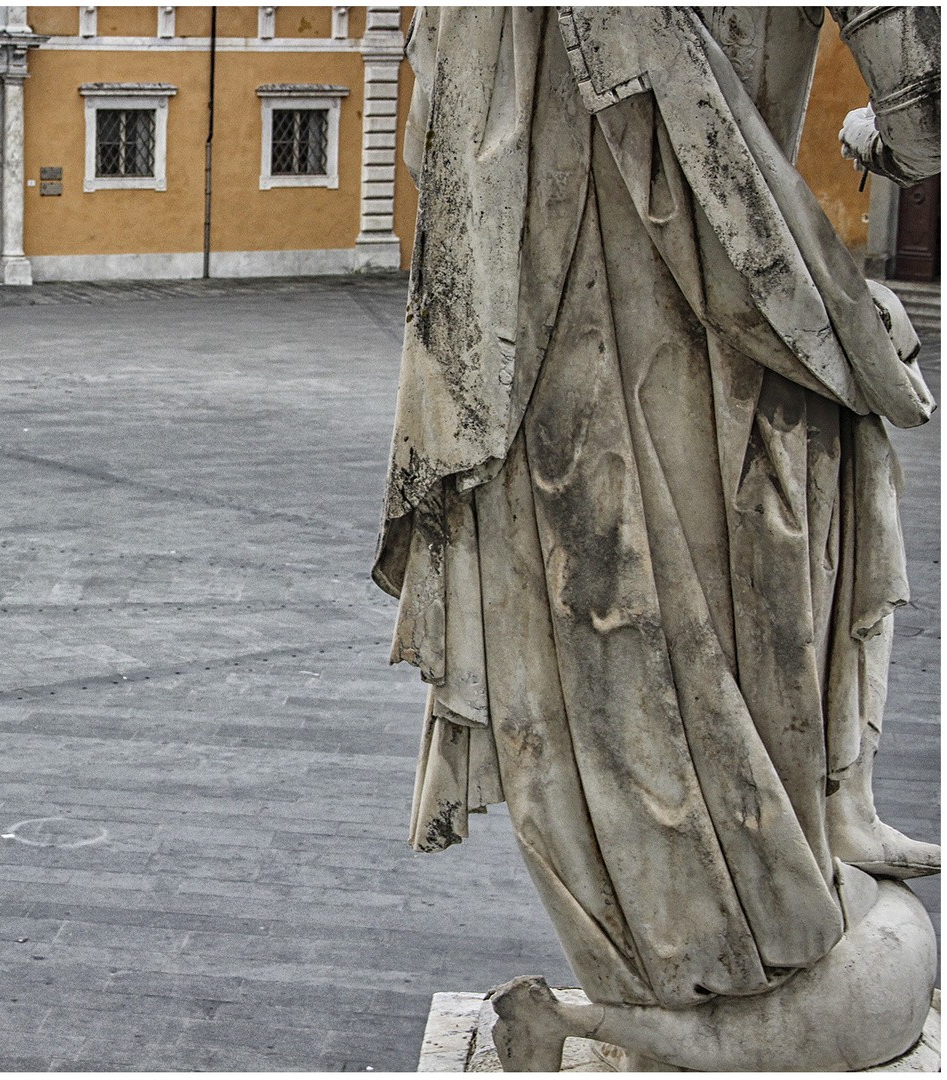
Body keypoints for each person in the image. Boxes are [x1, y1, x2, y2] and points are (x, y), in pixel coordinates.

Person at [376, 6, 938, 1070]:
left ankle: (726, 906)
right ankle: (820, 824)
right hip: (753, 311)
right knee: (811, 508)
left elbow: (439, 130)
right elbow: (925, 109)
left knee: (597, 600)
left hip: (538, 323)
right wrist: (868, 141)